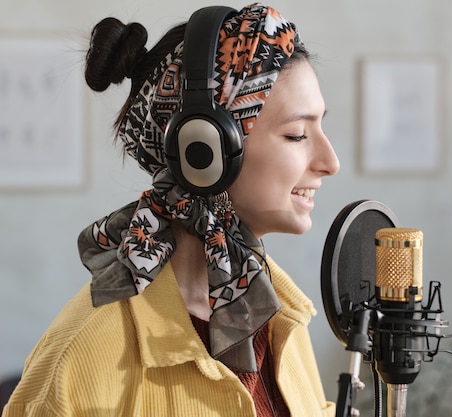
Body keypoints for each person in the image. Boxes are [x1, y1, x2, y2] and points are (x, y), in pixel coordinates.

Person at [2, 3, 340, 417]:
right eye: (297, 134)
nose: (330, 162)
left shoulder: (284, 319)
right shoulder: (79, 359)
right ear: (204, 150)